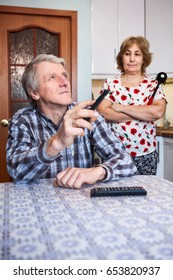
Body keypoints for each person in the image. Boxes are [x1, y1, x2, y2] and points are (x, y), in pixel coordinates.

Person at [6, 54, 136, 188]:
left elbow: (126, 162)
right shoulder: (22, 120)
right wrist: (56, 143)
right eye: (52, 77)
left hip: (80, 200)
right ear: (34, 93)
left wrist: (96, 172)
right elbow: (16, 172)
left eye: (65, 75)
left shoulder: (87, 114)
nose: (64, 82)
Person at [97, 36, 167, 175]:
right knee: (115, 195)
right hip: (114, 155)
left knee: (145, 194)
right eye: (127, 54)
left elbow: (158, 112)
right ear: (121, 57)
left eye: (137, 54)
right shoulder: (110, 83)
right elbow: (104, 112)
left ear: (144, 59)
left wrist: (120, 107)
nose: (132, 59)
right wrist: (142, 114)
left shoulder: (153, 85)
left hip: (145, 154)